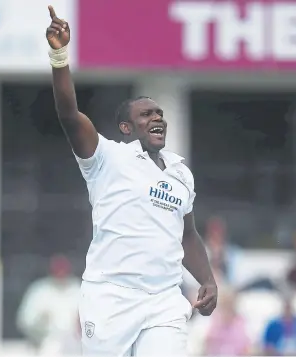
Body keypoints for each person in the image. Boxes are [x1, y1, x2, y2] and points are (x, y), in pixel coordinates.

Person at [45, 6, 217, 356]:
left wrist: (208, 279)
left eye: (160, 114)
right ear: (127, 128)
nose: (157, 118)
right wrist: (59, 55)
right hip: (111, 298)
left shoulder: (180, 172)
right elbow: (68, 115)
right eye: (146, 114)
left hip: (164, 301)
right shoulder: (107, 158)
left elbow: (187, 235)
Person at [16, 255, 81, 355]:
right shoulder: (40, 290)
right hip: (45, 345)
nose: (61, 274)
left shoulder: (78, 289)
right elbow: (25, 321)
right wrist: (40, 324)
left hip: (76, 347)